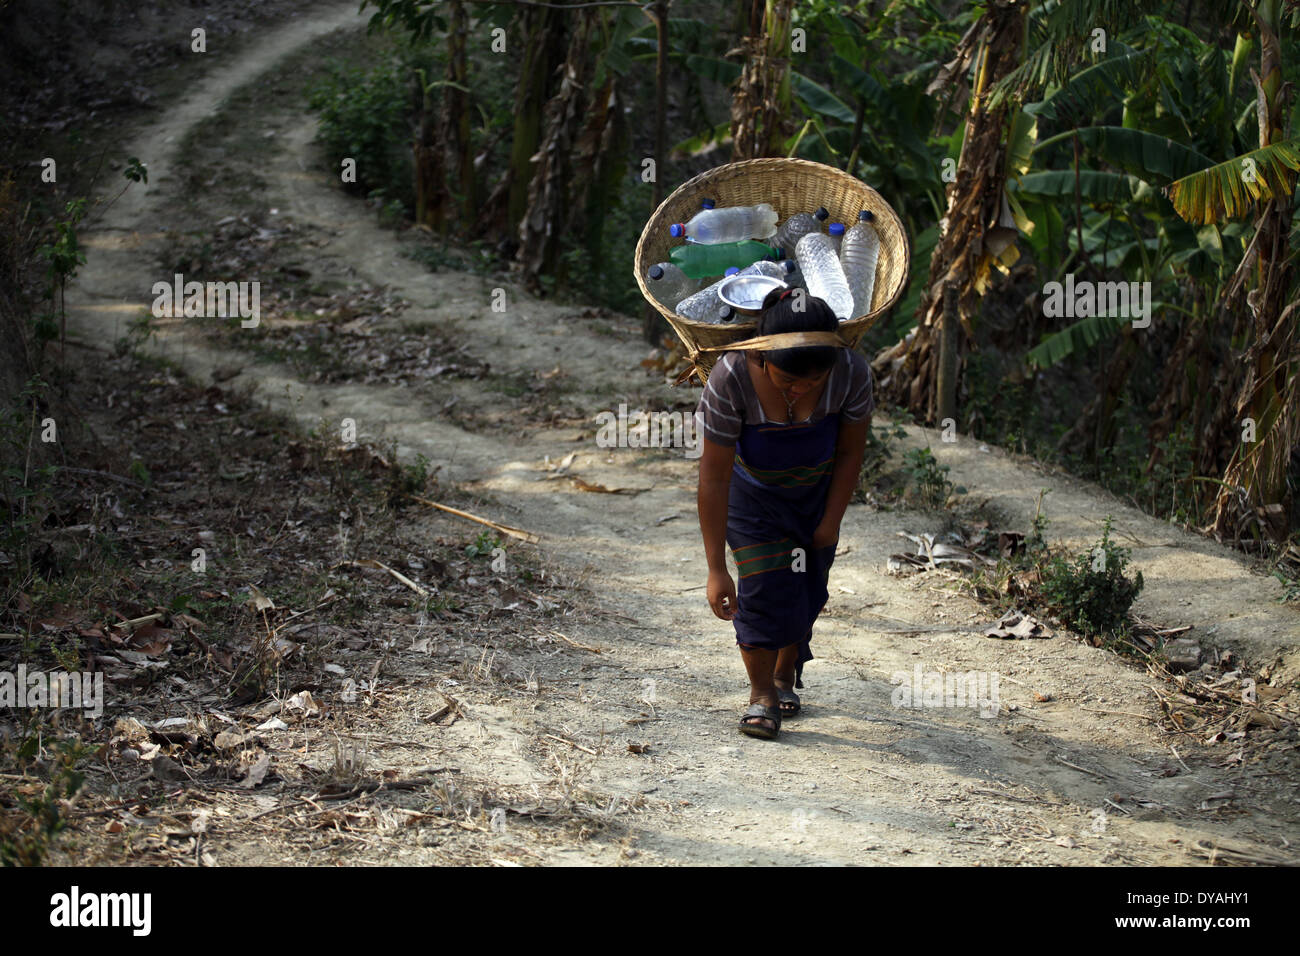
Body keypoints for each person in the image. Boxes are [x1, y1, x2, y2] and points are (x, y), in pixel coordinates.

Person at [695, 288, 872, 739]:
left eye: (813, 382)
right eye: (789, 381)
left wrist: (830, 521)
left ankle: (784, 673)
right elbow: (714, 478)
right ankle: (761, 695)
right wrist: (717, 568)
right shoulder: (731, 376)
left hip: (816, 492)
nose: (801, 390)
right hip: (751, 496)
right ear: (761, 359)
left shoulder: (851, 372)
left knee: (806, 588)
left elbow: (851, 453)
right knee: (763, 588)